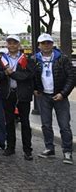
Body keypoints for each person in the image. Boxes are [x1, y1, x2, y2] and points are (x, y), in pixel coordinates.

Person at [34, 33, 74, 165]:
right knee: (46, 124)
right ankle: (49, 148)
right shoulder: (34, 59)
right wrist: (35, 89)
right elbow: (32, 76)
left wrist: (63, 93)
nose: (46, 45)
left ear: (52, 44)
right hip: (44, 96)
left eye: (48, 43)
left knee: (64, 125)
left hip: (60, 96)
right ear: (39, 45)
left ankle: (67, 151)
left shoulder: (62, 58)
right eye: (43, 43)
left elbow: (71, 77)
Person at [0, 35, 35, 160]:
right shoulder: (1, 59)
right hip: (8, 94)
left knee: (25, 122)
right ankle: (10, 147)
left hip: (23, 94)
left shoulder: (27, 59)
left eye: (15, 43)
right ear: (7, 45)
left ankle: (27, 150)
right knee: (9, 122)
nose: (12, 45)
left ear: (19, 45)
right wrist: (5, 73)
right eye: (10, 43)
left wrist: (12, 74)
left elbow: (27, 75)